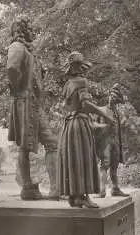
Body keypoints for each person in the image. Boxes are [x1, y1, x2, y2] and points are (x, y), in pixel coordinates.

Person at [6, 17, 59, 200]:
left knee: (51, 143)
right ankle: (28, 188)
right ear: (22, 29)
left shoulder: (29, 51)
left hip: (34, 103)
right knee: (24, 146)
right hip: (24, 101)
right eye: (29, 28)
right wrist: (19, 90)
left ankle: (54, 189)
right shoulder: (17, 47)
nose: (32, 31)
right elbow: (12, 69)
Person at [57, 52, 115, 208]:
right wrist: (105, 115)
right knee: (84, 158)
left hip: (68, 125)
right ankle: (83, 196)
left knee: (73, 159)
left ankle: (74, 196)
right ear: (80, 66)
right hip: (80, 124)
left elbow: (66, 106)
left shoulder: (67, 84)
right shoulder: (81, 82)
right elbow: (86, 105)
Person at [94, 84, 130, 197]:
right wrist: (104, 126)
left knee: (114, 165)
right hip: (105, 143)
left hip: (115, 142)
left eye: (115, 97)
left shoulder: (118, 113)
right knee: (104, 165)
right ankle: (102, 190)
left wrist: (123, 124)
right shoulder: (101, 110)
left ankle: (115, 189)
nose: (112, 98)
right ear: (109, 96)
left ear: (117, 100)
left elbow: (119, 130)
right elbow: (93, 125)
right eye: (111, 95)